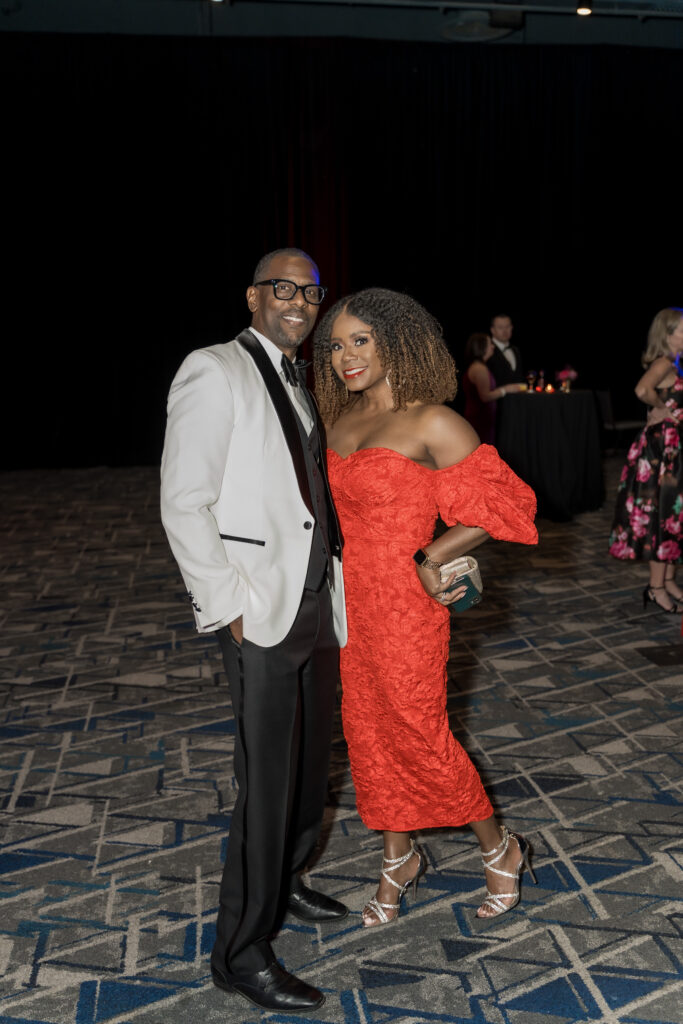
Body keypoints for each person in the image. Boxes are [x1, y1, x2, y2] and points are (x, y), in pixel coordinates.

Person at [312, 288, 538, 928]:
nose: (346, 356)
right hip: (349, 598)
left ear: (397, 340)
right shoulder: (338, 420)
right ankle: (397, 859)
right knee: (367, 731)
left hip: (408, 604)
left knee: (418, 729)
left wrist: (431, 555)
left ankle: (501, 848)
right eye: (335, 345)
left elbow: (505, 506)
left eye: (361, 340)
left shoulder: (432, 421)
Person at [160, 248, 348, 1014]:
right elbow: (183, 501)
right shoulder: (213, 368)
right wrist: (226, 606)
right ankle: (240, 952)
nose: (299, 302)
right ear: (252, 296)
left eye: (309, 291)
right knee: (265, 783)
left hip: (311, 602)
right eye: (283, 288)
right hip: (257, 610)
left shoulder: (302, 378)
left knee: (308, 768)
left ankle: (286, 881)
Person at [609, 307, 683, 613]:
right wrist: (662, 409)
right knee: (662, 517)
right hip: (661, 452)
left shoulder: (675, 362)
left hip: (672, 449)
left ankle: (667, 581)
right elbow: (642, 389)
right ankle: (655, 588)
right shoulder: (664, 361)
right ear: (668, 334)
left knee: (674, 517)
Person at [462, 332, 525, 444]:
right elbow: (485, 397)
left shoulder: (479, 366)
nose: (493, 346)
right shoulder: (479, 368)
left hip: (482, 418)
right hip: (480, 419)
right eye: (490, 344)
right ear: (482, 347)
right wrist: (506, 389)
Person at [487, 313, 525, 387]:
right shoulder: (487, 350)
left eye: (507, 327)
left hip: (518, 397)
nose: (505, 330)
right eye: (500, 327)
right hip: (495, 397)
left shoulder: (515, 350)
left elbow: (519, 377)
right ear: (492, 330)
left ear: (512, 327)